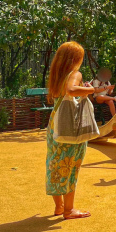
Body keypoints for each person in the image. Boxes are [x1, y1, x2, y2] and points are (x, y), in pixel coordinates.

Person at [45, 41, 95, 219]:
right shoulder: (74, 74)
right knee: (71, 164)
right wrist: (91, 90)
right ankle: (69, 209)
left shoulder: (57, 76)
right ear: (75, 59)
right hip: (69, 126)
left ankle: (59, 206)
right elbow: (72, 90)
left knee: (55, 162)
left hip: (55, 124)